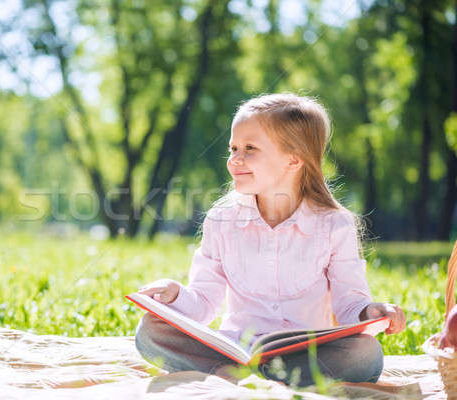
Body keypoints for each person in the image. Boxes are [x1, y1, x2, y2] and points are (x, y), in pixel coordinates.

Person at [134, 93, 406, 387]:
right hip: (236, 348)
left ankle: (252, 377)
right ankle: (244, 372)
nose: (234, 159)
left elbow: (349, 304)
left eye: (250, 148)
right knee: (149, 331)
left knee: (365, 353)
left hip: (305, 351)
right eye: (233, 148)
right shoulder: (221, 219)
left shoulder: (334, 225)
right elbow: (202, 303)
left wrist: (369, 312)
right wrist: (175, 294)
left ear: (293, 159)